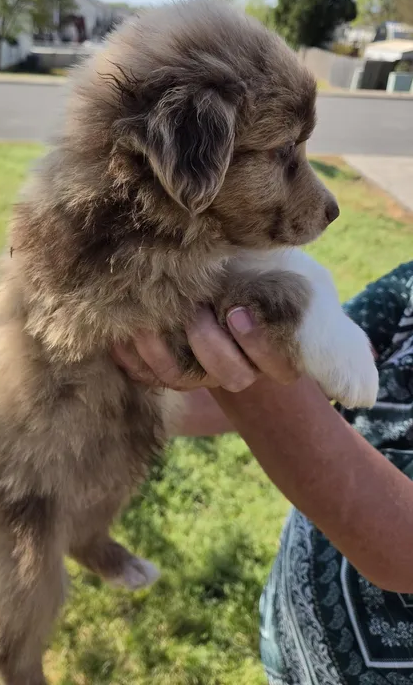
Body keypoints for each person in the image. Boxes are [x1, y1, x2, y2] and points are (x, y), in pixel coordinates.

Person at [113, 261, 413, 684]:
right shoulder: (410, 285)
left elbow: (404, 552)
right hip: (292, 653)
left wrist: (239, 370)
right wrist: (119, 395)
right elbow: (329, 365)